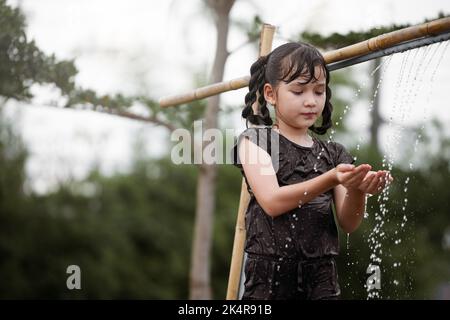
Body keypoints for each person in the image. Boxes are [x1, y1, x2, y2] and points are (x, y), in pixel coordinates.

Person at [231, 42, 393, 300]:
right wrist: (329, 178)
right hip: (268, 280)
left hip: (322, 279)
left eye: (318, 92)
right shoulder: (255, 142)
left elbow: (349, 223)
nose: (310, 101)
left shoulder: (335, 154)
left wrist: (357, 189)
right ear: (271, 94)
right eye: (298, 91)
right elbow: (272, 202)